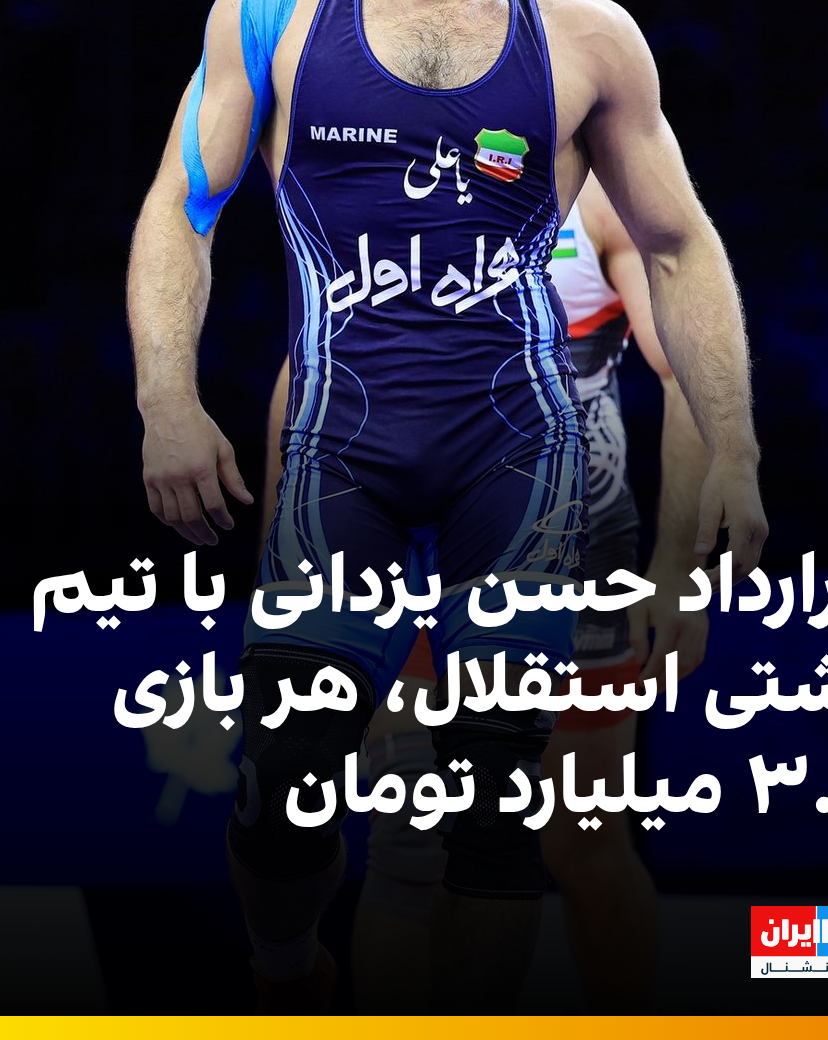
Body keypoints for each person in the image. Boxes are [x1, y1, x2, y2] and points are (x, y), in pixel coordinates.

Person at [126, 0, 767, 1014]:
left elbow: (680, 250)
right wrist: (167, 401)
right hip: (345, 455)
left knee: (506, 828)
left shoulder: (587, 41)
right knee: (287, 792)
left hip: (520, 470)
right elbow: (180, 207)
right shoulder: (276, 6)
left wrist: (734, 455)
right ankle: (285, 962)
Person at [251, 173, 711, 1010]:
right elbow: (307, 371)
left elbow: (690, 373)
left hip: (573, 561)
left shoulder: (603, 202)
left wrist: (678, 567)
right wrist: (285, 575)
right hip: (410, 549)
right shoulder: (389, 188)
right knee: (410, 850)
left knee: (582, 847)